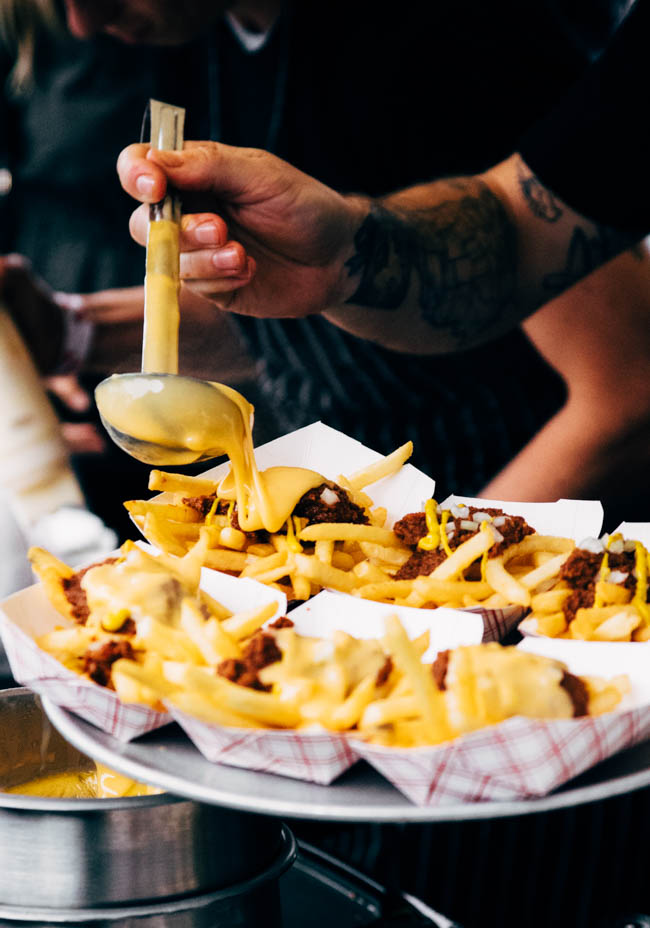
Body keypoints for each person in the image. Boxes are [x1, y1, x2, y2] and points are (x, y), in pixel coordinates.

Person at [4, 0, 649, 531]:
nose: (81, 24)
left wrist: (436, 586)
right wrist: (74, 333)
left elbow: (627, 394)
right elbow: (286, 318)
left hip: (520, 556)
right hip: (363, 539)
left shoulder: (449, 40)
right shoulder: (191, 40)